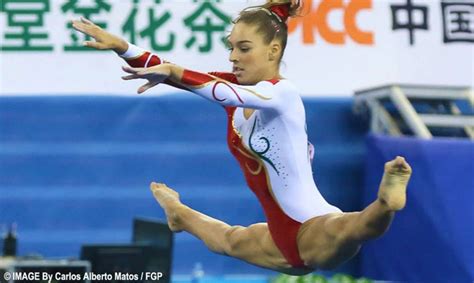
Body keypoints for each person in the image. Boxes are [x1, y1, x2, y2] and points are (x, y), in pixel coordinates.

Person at [72, 0, 412, 275]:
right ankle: (177, 213)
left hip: (313, 226)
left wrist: (175, 73)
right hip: (279, 240)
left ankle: (386, 202)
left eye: (244, 48)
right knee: (228, 240)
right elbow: (174, 71)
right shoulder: (233, 88)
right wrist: (121, 46)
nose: (233, 57)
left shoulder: (283, 95)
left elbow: (214, 89)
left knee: (351, 229)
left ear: (273, 50)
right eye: (231, 48)